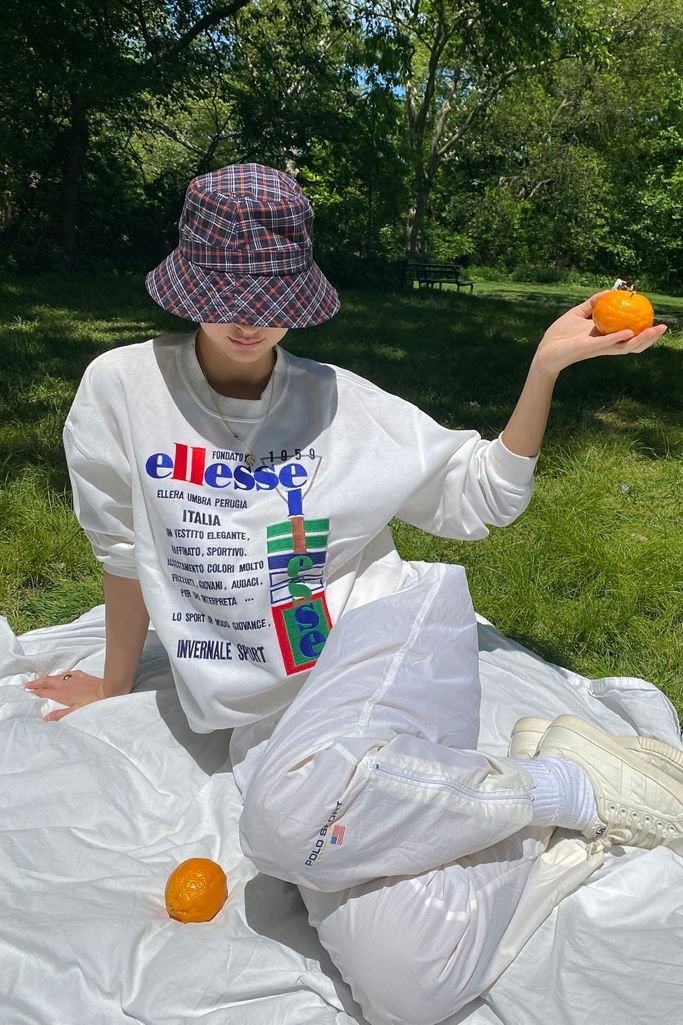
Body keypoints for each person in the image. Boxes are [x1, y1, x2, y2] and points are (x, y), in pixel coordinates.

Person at [25, 165, 683, 1025]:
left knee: (278, 822)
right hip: (269, 716)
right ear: (188, 281)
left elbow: (481, 495)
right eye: (225, 293)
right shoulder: (122, 389)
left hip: (379, 640)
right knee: (407, 985)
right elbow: (123, 550)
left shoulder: (340, 403)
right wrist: (114, 681)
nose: (248, 316)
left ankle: (566, 786)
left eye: (272, 297)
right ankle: (548, 813)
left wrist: (545, 366)